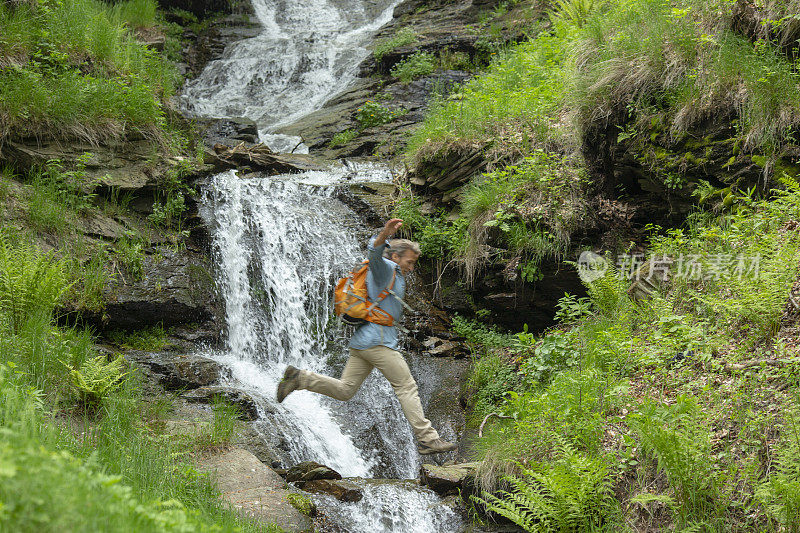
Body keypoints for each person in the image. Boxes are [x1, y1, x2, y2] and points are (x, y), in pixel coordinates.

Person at [276, 218, 457, 455]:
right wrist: (386, 233)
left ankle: (300, 378)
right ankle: (427, 439)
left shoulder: (394, 273)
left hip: (364, 342)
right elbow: (375, 250)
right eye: (409, 262)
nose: (412, 267)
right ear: (395, 257)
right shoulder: (385, 268)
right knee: (406, 386)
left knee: (345, 390)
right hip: (378, 340)